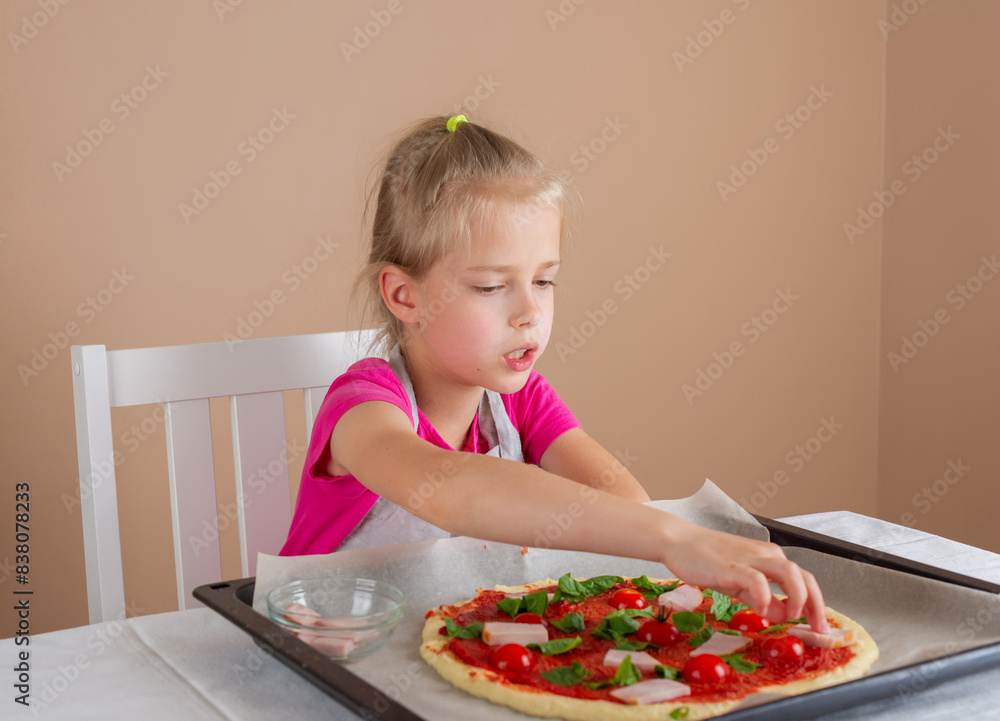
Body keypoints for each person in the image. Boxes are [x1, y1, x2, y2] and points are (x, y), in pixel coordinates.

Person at [281, 114, 828, 631]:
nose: (529, 313)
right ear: (405, 296)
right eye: (491, 286)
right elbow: (453, 491)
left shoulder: (522, 400)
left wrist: (697, 557)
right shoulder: (362, 408)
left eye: (544, 281)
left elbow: (621, 501)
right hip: (324, 657)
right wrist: (673, 540)